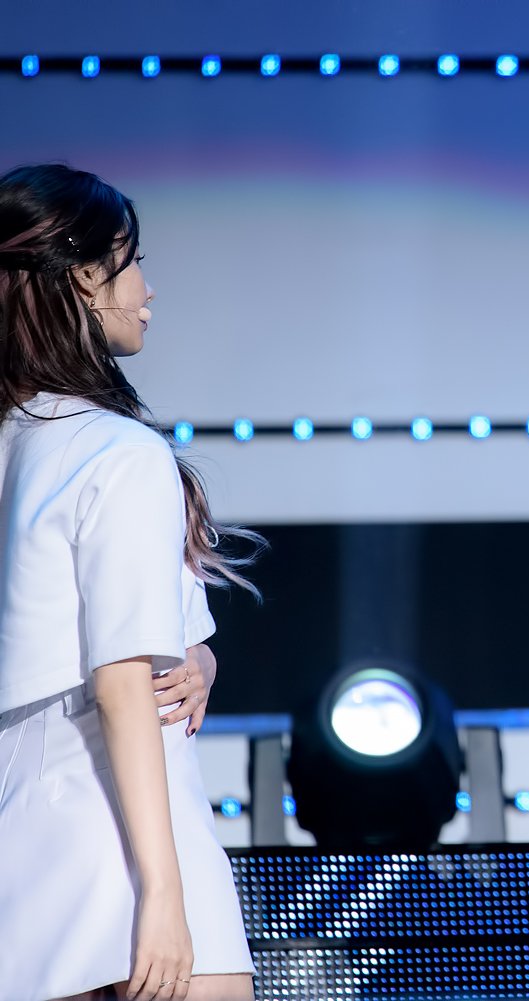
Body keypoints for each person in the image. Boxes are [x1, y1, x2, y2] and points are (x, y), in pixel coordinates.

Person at [0, 164, 259, 1000]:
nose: (147, 288)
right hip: (123, 820)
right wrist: (165, 892)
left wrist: (196, 659)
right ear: (84, 277)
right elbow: (119, 680)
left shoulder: (19, 443)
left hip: (21, 826)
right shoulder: (117, 452)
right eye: (132, 259)